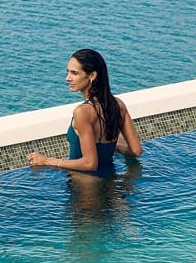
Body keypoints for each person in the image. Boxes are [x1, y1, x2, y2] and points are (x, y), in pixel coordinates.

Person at [28, 49, 142, 177]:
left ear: (92, 76)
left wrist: (47, 160)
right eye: (68, 72)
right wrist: (116, 146)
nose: (68, 78)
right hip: (110, 180)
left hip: (84, 186)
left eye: (74, 73)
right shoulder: (118, 105)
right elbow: (136, 150)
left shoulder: (82, 112)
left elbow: (89, 164)